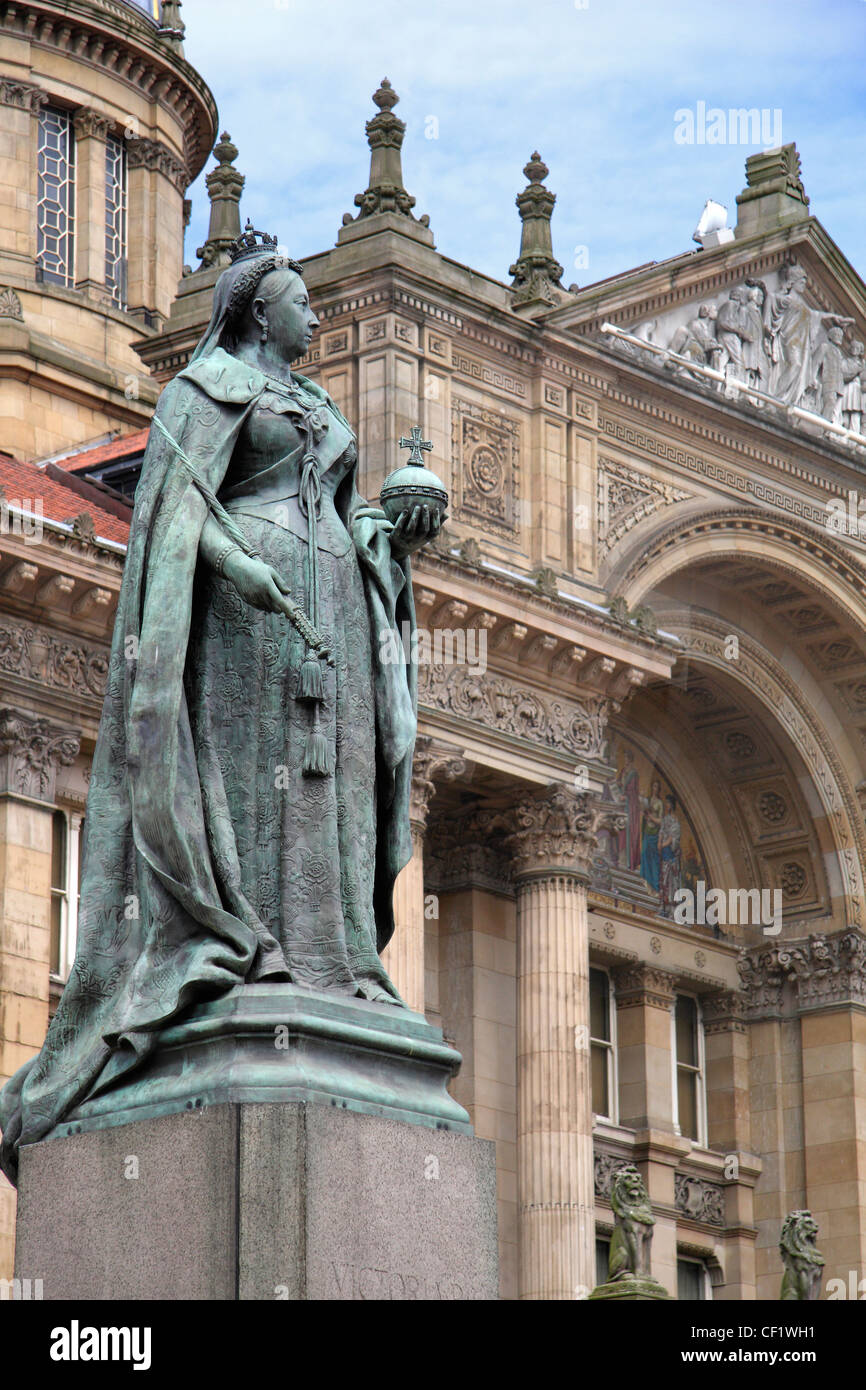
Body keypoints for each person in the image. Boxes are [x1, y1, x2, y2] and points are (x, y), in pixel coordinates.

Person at [0, 227, 441, 1183]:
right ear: (255, 308)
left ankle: (342, 961)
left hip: (336, 603)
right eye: (299, 299)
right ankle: (254, 946)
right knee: (258, 778)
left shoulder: (318, 401)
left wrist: (389, 535)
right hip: (250, 611)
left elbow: (345, 510)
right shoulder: (199, 396)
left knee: (338, 778)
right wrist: (239, 567)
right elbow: (173, 522)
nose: (315, 311)